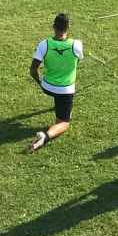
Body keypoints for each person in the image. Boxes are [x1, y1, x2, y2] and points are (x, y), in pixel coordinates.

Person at [28, 13, 84, 152]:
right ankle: (45, 137)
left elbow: (33, 69)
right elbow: (78, 60)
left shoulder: (44, 44)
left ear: (53, 27)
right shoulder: (76, 45)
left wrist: (40, 82)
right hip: (65, 91)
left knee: (61, 104)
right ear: (68, 27)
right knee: (64, 123)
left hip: (47, 87)